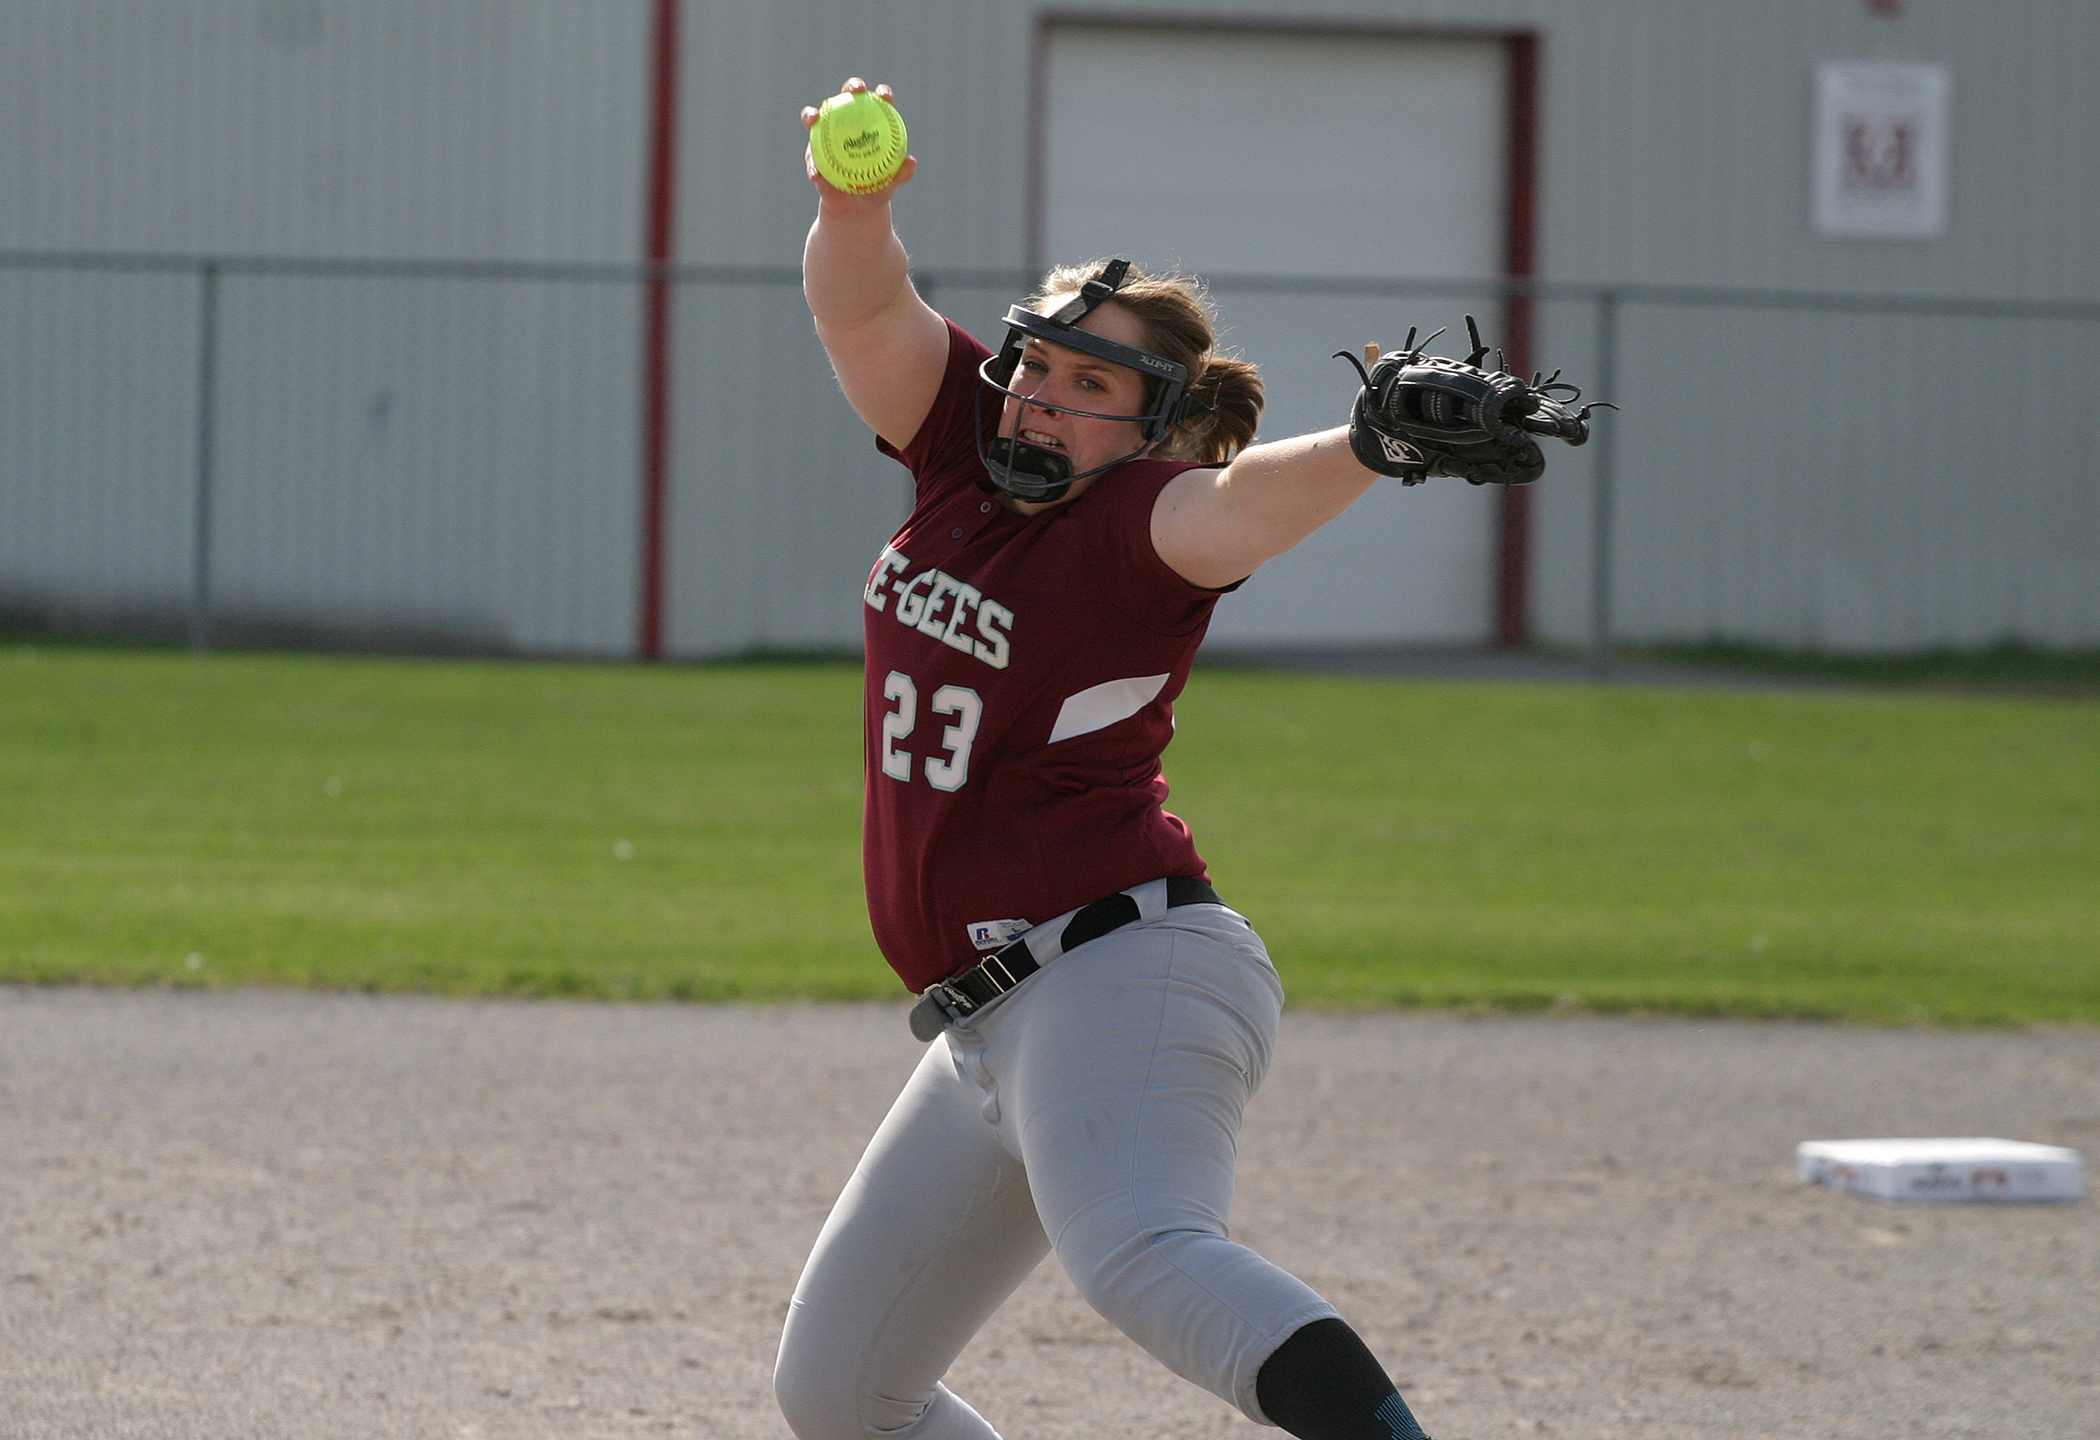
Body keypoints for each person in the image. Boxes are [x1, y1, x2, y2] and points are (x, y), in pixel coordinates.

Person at [775, 77, 1436, 1440]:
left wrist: (1372, 444)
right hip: (989, 1019)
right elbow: (860, 308)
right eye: (1040, 364)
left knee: (1140, 1255)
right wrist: (855, 207)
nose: (1044, 398)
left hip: (1119, 970)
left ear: (1157, 424)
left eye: (1095, 386)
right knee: (842, 1394)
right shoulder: (964, 453)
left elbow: (1244, 506)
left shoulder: (1145, 518)